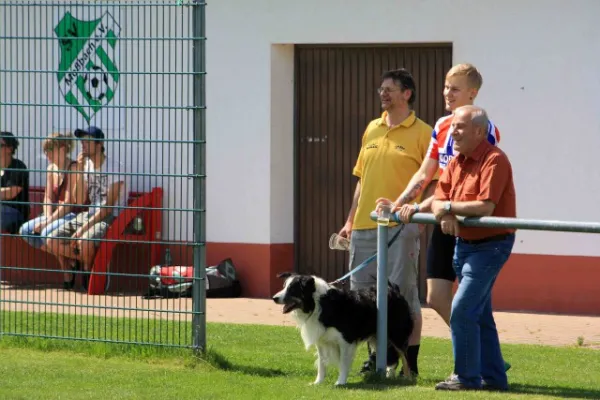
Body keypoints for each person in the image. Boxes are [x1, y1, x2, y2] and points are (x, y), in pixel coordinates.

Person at [376, 63, 511, 373]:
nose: (447, 94)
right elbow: (426, 172)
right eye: (446, 87)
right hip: (443, 217)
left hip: (470, 223)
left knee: (471, 306)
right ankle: (484, 357)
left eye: (455, 88)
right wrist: (398, 205)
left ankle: (475, 363)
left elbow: (477, 177)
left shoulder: (483, 127)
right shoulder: (440, 125)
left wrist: (448, 208)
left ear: (473, 93)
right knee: (436, 297)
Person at [337, 68, 432, 377]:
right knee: (363, 297)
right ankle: (378, 359)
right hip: (365, 226)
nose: (383, 94)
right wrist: (350, 220)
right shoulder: (372, 129)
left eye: (389, 89)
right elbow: (362, 180)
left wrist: (418, 213)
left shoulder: (423, 132)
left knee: (403, 296)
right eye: (381, 89)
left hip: (400, 227)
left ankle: (409, 365)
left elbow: (432, 181)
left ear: (407, 93)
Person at [431, 105, 516, 391]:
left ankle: (466, 377)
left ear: (479, 131)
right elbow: (436, 199)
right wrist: (446, 211)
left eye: (460, 126)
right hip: (464, 246)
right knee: (479, 314)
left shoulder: (495, 160)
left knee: (463, 309)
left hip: (491, 246)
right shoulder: (456, 162)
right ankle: (494, 379)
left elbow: (485, 206)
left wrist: (446, 207)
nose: (453, 131)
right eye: (453, 126)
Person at [46, 126, 127, 291]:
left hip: (111, 217)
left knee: (85, 241)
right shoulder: (86, 165)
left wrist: (82, 230)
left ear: (99, 144)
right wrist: (81, 171)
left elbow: (108, 209)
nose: (83, 145)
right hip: (89, 214)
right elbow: (79, 199)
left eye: (87, 141)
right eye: (82, 141)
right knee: (51, 240)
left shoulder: (114, 167)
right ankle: (87, 261)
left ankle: (89, 271)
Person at [19, 133, 88, 286]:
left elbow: (69, 202)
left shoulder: (74, 167)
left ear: (63, 148)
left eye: (50, 149)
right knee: (25, 231)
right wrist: (47, 217)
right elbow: (48, 197)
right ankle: (66, 262)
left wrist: (47, 222)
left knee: (45, 233)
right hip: (55, 215)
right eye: (45, 150)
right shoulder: (51, 168)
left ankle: (73, 266)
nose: (47, 153)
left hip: (72, 214)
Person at [0, 131, 29, 233]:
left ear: (10, 148)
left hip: (16, 214)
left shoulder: (18, 166)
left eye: (0, 145)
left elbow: (11, 192)